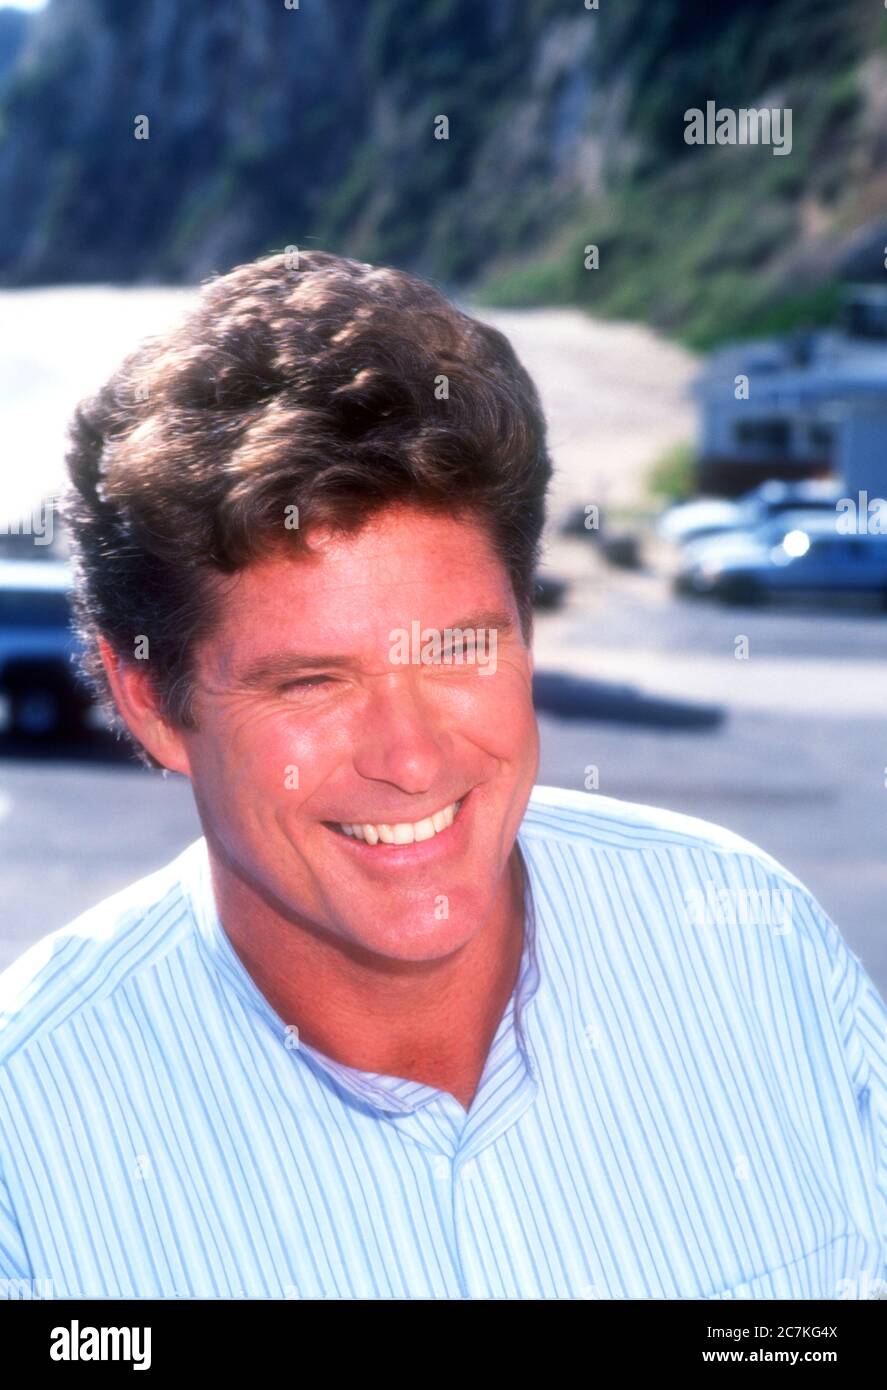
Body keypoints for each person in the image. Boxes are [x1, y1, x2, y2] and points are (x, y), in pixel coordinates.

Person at [0, 251, 884, 1299]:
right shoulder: (30, 1143)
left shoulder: (755, 943)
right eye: (311, 682)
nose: (411, 759)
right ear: (149, 701)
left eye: (458, 651)